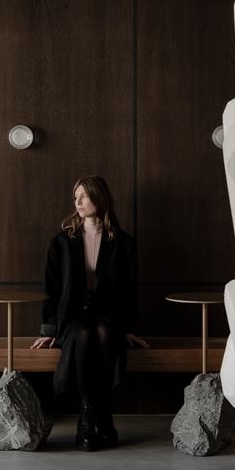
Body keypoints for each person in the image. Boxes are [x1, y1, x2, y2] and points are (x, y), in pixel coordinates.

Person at [31, 175, 148, 451]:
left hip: (108, 315)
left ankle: (101, 413)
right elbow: (51, 289)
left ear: (99, 197)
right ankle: (89, 416)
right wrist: (49, 329)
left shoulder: (123, 242)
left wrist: (129, 329)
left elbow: (129, 291)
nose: (78, 201)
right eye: (76, 197)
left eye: (84, 195)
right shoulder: (62, 242)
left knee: (104, 331)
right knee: (84, 332)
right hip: (73, 317)